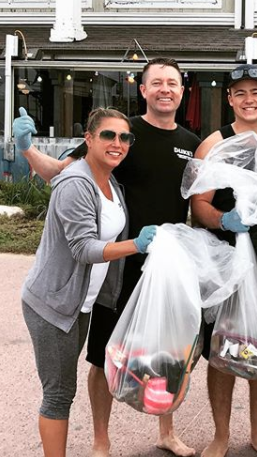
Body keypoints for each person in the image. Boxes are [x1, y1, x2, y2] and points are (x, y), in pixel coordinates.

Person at [13, 58, 201, 457]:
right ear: (144, 90)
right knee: (102, 355)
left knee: (167, 352)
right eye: (157, 83)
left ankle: (166, 430)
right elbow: (61, 173)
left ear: (182, 91)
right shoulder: (121, 131)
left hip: (165, 266)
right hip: (117, 266)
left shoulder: (190, 140)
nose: (166, 89)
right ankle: (101, 440)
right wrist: (27, 149)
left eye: (173, 83)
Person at [21, 107, 157, 457]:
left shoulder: (109, 182)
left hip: (80, 301)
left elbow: (52, 170)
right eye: (108, 135)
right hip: (52, 303)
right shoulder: (77, 182)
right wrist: (137, 244)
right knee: (58, 393)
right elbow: (83, 248)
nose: (117, 143)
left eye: (124, 137)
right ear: (89, 139)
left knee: (64, 391)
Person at [190, 64, 257, 457]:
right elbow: (198, 204)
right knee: (222, 346)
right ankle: (220, 435)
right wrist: (224, 220)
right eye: (240, 93)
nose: (249, 100)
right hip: (225, 256)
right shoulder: (213, 144)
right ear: (230, 99)